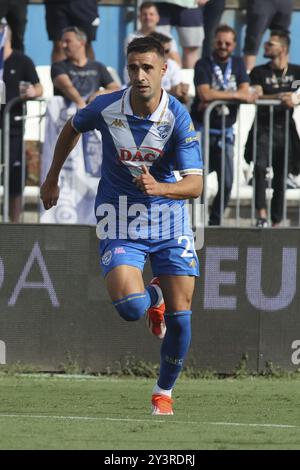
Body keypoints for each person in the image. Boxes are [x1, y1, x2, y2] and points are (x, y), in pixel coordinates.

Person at [40, 36, 203, 415]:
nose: (140, 76)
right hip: (120, 218)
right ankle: (153, 299)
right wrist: (51, 178)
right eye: (134, 68)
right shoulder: (106, 105)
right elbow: (71, 128)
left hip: (168, 219)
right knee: (131, 308)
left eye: (148, 68)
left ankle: (163, 393)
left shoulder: (177, 116)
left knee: (181, 319)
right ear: (126, 69)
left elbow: (195, 185)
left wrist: (161, 187)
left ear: (164, 69)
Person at [191, 24, 257, 226]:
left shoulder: (237, 63)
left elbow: (245, 93)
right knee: (197, 181)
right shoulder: (203, 63)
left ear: (234, 45)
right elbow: (205, 93)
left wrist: (220, 96)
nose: (223, 46)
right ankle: (195, 222)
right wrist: (234, 95)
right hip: (203, 132)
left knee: (227, 181)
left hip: (226, 133)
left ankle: (215, 222)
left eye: (227, 43)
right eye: (219, 42)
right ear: (213, 42)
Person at [244, 30, 300, 228]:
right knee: (259, 168)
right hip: (263, 128)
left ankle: (276, 219)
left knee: (281, 175)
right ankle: (261, 214)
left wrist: (294, 98)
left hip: (286, 128)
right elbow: (256, 95)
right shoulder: (260, 72)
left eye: (271, 44)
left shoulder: (295, 72)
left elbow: (297, 91)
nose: (265, 47)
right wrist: (280, 98)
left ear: (283, 48)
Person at [1, 25, 43, 223]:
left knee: (15, 176)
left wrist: (33, 93)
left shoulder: (22, 60)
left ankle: (14, 224)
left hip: (13, 128)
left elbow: (39, 87)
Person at [51, 26, 120, 109]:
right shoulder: (58, 66)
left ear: (81, 42)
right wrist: (80, 103)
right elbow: (66, 86)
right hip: (67, 111)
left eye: (67, 41)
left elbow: (116, 89)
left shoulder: (98, 66)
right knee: (54, 101)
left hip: (91, 109)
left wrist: (100, 93)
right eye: (62, 42)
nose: (63, 45)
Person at [153, 0, 209, 68]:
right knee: (156, 48)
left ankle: (189, 78)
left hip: (190, 5)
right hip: (158, 3)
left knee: (191, 50)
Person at [243, 0, 294, 73]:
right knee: (253, 40)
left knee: (283, 40)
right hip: (262, 3)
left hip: (285, 3)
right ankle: (249, 75)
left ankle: (285, 75)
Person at [124, 1, 181, 66]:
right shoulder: (132, 38)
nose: (148, 17)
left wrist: (166, 51)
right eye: (144, 14)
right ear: (139, 18)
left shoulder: (167, 37)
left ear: (157, 18)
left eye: (151, 14)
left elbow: (177, 62)